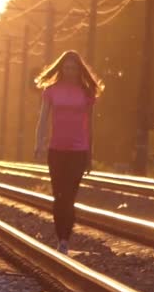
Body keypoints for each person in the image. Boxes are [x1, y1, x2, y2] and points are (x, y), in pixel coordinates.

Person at [34, 50, 104, 255]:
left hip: (78, 150)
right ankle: (60, 236)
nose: (70, 70)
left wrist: (90, 154)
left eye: (73, 67)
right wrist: (38, 143)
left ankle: (65, 239)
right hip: (56, 149)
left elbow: (90, 125)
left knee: (70, 196)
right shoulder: (51, 90)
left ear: (79, 69)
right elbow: (43, 120)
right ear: (61, 68)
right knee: (59, 196)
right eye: (66, 67)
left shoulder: (86, 92)